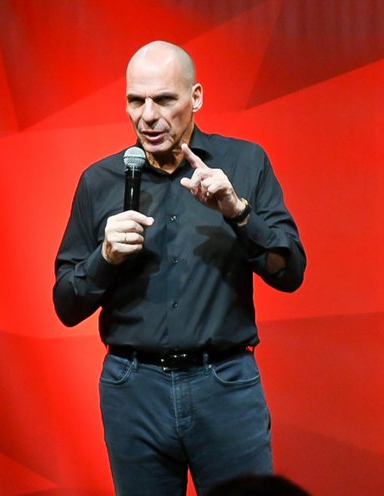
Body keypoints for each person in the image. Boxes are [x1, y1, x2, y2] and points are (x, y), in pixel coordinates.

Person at [53, 40, 306, 495]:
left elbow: (288, 272)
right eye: (136, 101)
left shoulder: (244, 163)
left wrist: (238, 212)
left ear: (196, 97)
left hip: (224, 385)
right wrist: (104, 257)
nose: (148, 116)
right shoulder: (99, 180)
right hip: (134, 389)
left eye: (164, 99)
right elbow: (66, 304)